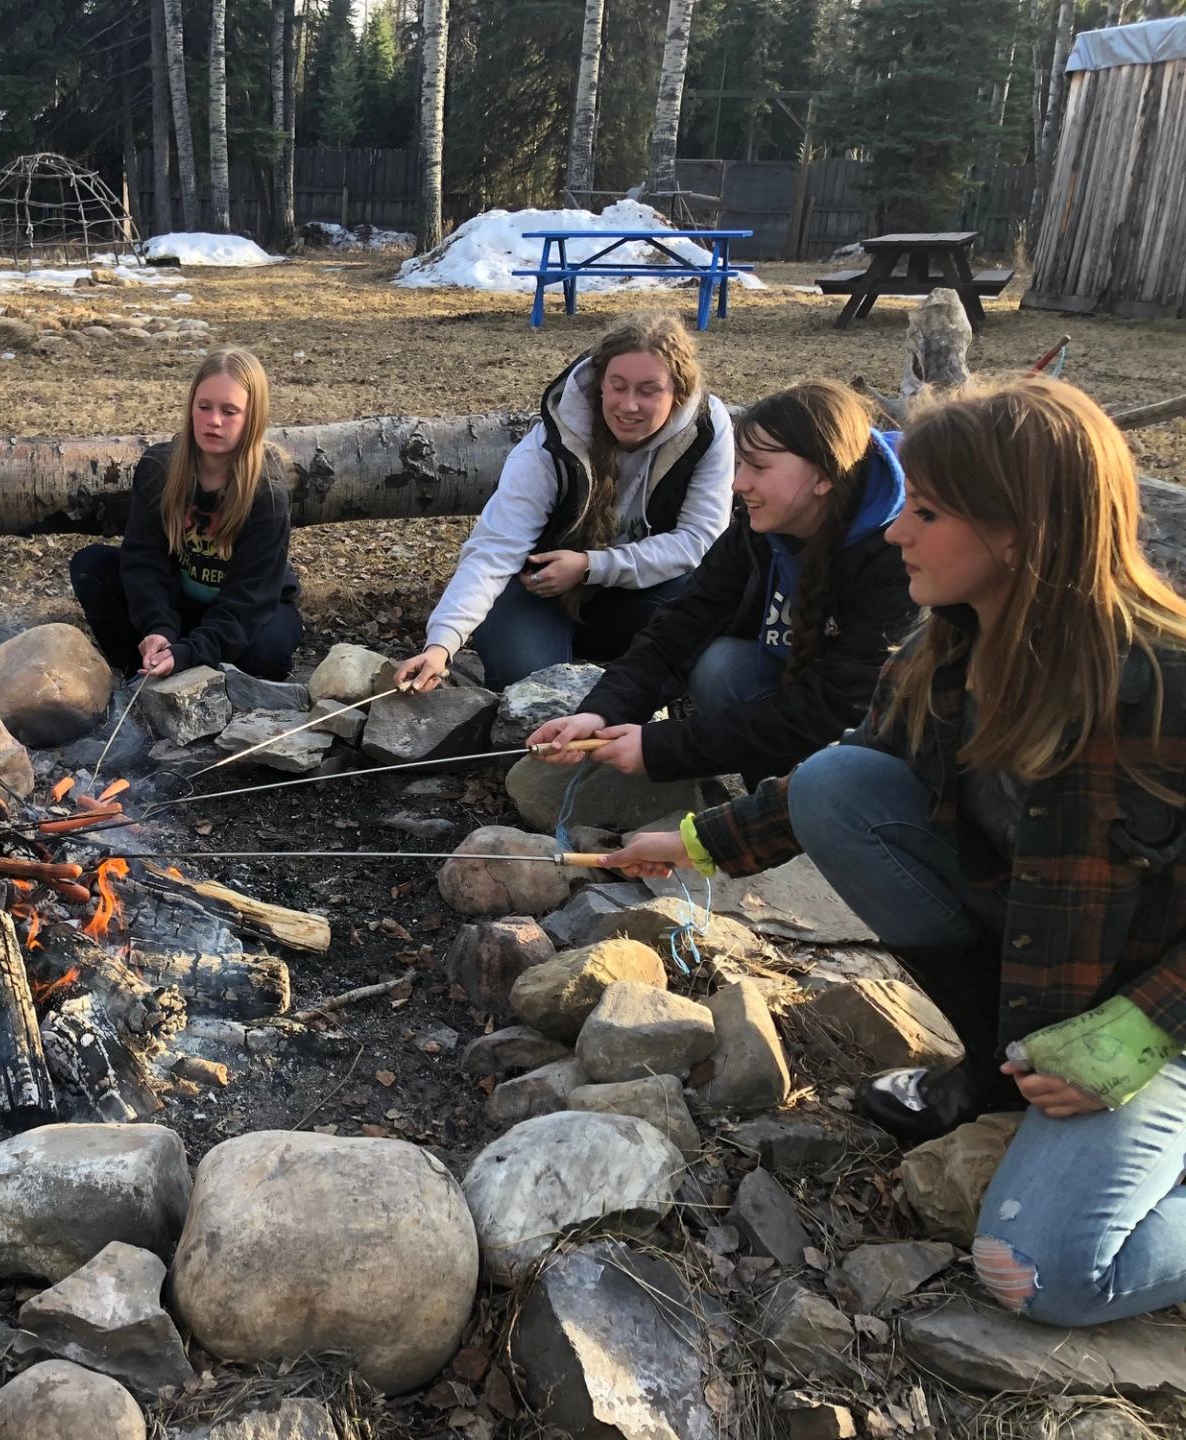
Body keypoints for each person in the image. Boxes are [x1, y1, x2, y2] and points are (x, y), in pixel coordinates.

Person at [604, 375, 1186, 1329]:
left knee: (1039, 1272)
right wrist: (695, 841)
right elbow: (847, 775)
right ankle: (995, 1073)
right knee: (842, 783)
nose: (894, 532)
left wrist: (1139, 1030)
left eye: (924, 511)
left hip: (1159, 1025)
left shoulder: (1169, 683)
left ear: (1016, 531)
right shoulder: (950, 644)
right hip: (1054, 987)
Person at [528, 380, 917, 786]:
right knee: (722, 666)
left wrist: (663, 747)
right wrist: (603, 712)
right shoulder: (760, 527)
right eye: (740, 464)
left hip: (884, 729)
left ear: (823, 477)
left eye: (758, 467)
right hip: (800, 684)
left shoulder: (901, 553)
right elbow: (682, 623)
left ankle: (809, 811)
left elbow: (837, 703)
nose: (738, 483)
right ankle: (767, 800)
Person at [395, 314, 734, 693]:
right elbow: (494, 550)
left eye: (648, 390)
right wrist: (441, 644)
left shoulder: (706, 429)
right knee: (532, 690)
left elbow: (700, 539)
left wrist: (592, 565)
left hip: (640, 594)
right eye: (617, 387)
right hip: (540, 593)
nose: (629, 405)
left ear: (678, 392)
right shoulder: (548, 448)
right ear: (600, 385)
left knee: (702, 617)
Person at [69, 348, 302, 681]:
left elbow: (248, 599)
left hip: (249, 609)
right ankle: (142, 674)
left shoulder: (267, 494)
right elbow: (144, 558)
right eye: (204, 406)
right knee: (91, 566)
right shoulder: (158, 468)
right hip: (180, 602)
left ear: (253, 417)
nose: (214, 421)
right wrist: (157, 626)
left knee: (267, 655)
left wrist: (189, 653)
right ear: (191, 406)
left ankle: (195, 665)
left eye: (230, 411)